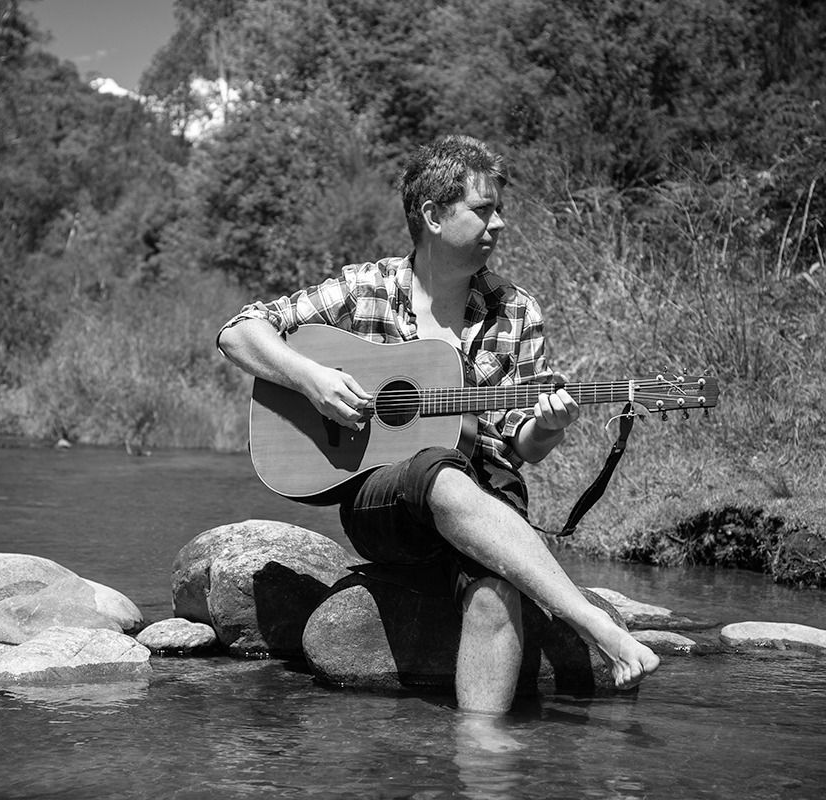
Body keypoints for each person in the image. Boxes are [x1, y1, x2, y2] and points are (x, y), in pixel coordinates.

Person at [216, 134, 659, 714]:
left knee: (497, 591)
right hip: (386, 500)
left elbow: (520, 449)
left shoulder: (517, 310)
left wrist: (551, 426)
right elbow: (238, 331)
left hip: (486, 491)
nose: (499, 223)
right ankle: (588, 618)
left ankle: (482, 759)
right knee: (435, 467)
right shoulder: (366, 288)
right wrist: (312, 381)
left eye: (499, 209)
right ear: (432, 215)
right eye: (483, 209)